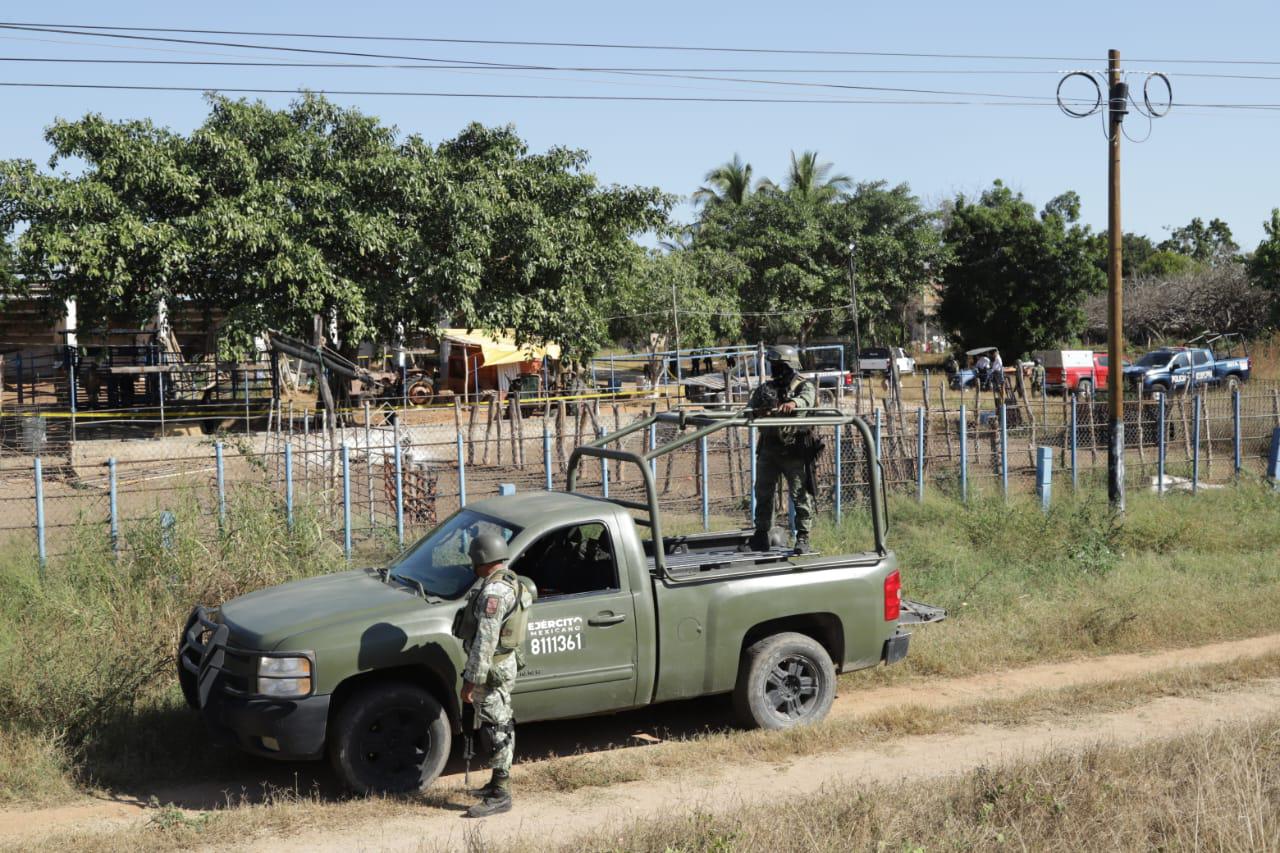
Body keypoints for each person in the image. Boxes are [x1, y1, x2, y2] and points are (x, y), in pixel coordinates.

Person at [458, 531, 528, 818]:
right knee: (497, 721)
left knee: (495, 727)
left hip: (492, 669)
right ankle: (496, 784)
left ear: (483, 560)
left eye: (475, 560)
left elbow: (485, 641)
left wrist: (470, 681)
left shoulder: (494, 593)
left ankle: (501, 793)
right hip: (504, 663)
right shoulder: (513, 582)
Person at [748, 345, 818, 554]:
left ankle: (803, 537)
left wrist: (793, 403)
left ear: (788, 366)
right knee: (763, 492)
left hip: (793, 450)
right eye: (772, 365)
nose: (774, 369)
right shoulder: (766, 388)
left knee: (800, 494)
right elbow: (749, 409)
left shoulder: (803, 386)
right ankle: (762, 534)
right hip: (769, 448)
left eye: (778, 365)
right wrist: (756, 411)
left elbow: (806, 400)